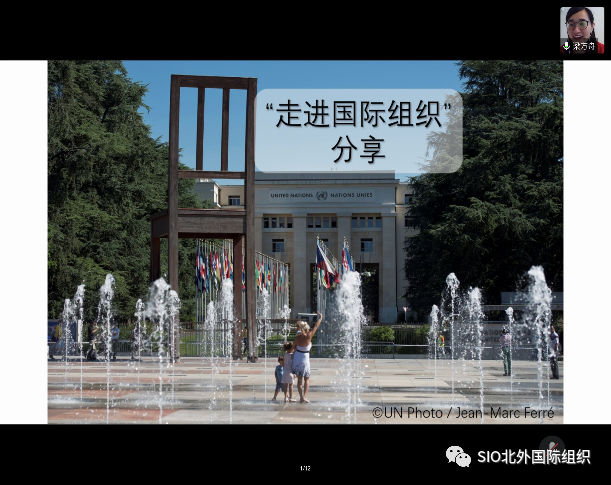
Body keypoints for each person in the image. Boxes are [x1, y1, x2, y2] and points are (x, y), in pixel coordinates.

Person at [292, 311, 322, 403]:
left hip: (297, 357)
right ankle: (305, 396)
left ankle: (301, 396)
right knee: (307, 378)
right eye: (308, 329)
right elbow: (316, 326)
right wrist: (320, 318)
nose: (309, 330)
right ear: (306, 330)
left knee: (299, 378)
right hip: (305, 358)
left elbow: (293, 347)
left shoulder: (297, 337)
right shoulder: (308, 336)